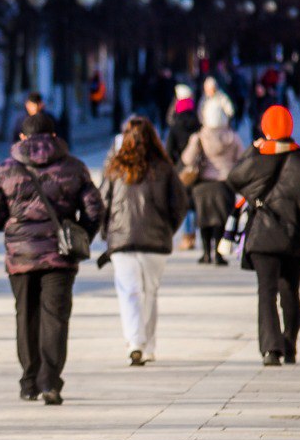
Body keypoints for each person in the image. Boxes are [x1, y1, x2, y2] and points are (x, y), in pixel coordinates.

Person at [0, 113, 102, 405]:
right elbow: (95, 209)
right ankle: (50, 382)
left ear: (22, 138)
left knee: (25, 315)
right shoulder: (74, 167)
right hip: (59, 257)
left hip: (20, 257)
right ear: (54, 135)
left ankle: (28, 381)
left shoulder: (6, 170)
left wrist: (13, 229)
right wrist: (79, 233)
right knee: (55, 318)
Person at [227, 106, 300, 366]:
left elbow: (233, 178)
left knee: (266, 292)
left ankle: (271, 349)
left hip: (263, 238)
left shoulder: (257, 159)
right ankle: (289, 341)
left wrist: (254, 150)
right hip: (295, 237)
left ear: (265, 128)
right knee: (290, 291)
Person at [99, 117, 187, 366]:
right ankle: (147, 345)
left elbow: (101, 203)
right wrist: (168, 229)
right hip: (155, 243)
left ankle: (135, 342)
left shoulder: (115, 168)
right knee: (150, 292)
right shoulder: (164, 168)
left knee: (129, 293)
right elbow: (179, 205)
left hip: (122, 240)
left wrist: (107, 232)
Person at [181, 101, 244, 265]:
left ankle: (206, 253)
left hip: (203, 184)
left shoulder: (200, 137)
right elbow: (242, 159)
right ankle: (219, 253)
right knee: (221, 220)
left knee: (204, 220)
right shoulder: (233, 137)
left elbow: (187, 158)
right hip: (225, 183)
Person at [164, 90, 200, 251]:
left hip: (181, 169)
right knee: (195, 201)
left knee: (185, 203)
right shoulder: (199, 126)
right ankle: (194, 233)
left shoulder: (174, 127)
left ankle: (187, 234)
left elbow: (169, 150)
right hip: (197, 167)